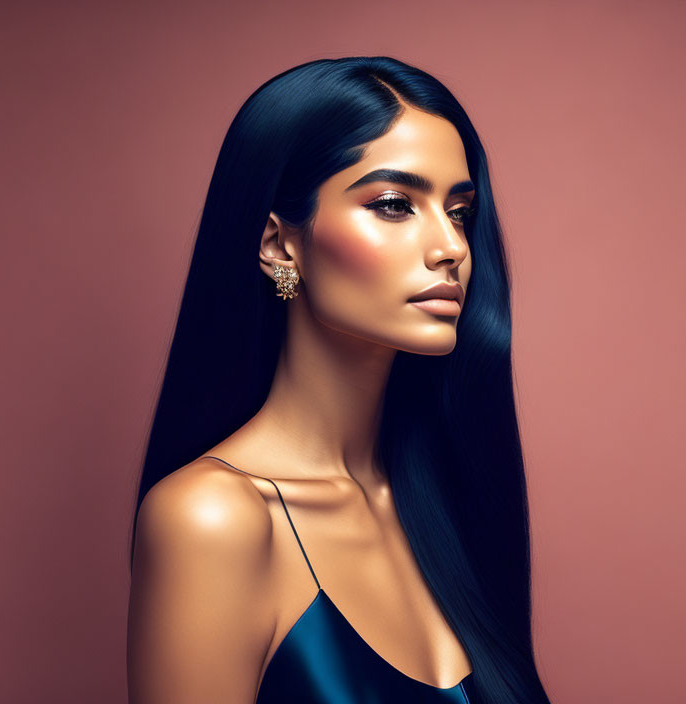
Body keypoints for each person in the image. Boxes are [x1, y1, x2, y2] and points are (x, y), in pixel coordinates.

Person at [126, 56, 551, 704]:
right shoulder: (214, 521)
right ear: (279, 246)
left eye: (459, 210)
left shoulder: (437, 496)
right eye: (392, 204)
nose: (451, 247)